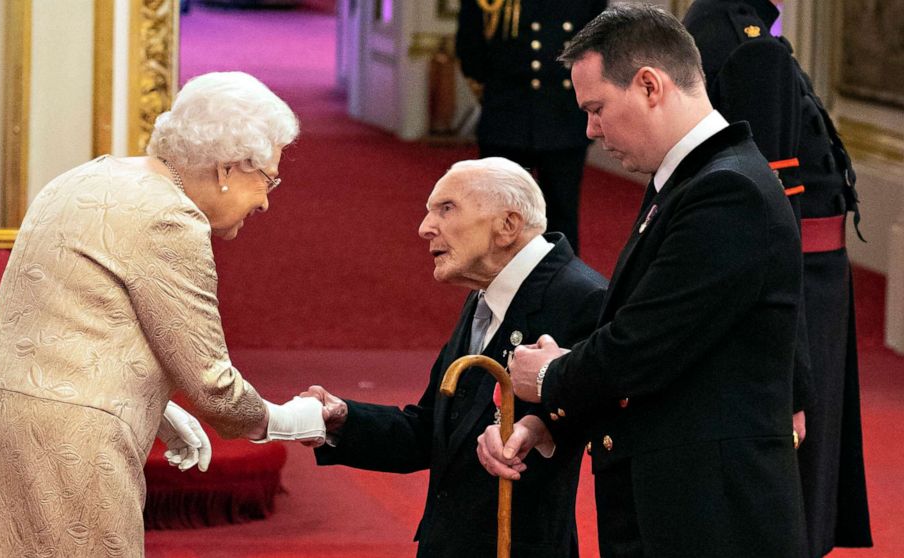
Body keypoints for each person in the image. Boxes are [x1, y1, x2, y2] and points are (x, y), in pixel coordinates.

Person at [0, 72, 326, 557]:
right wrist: (289, 419)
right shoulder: (170, 218)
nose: (267, 200)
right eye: (267, 178)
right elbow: (211, 382)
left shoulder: (90, 175)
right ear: (229, 168)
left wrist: (156, 404)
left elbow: (71, 313)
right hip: (70, 444)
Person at [477, 5, 809, 556]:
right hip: (681, 500)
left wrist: (553, 376)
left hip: (714, 517)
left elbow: (645, 345)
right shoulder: (691, 178)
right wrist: (551, 421)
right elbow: (655, 332)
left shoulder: (729, 191)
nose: (589, 129)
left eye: (597, 108)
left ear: (650, 85)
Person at [303, 157, 607, 557]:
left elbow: (598, 418)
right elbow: (432, 430)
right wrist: (344, 419)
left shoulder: (582, 297)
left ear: (507, 225)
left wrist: (537, 426)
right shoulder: (486, 293)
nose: (425, 227)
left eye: (446, 209)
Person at [682, 2, 872, 555]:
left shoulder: (746, 23)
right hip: (797, 277)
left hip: (819, 276)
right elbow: (765, 194)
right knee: (798, 457)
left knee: (817, 455)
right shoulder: (732, 33)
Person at [455, 0, 607, 252]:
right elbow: (470, 49)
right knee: (500, 218)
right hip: (506, 118)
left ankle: (562, 289)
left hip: (563, 119)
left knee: (561, 217)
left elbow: (598, 47)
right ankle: (500, 288)